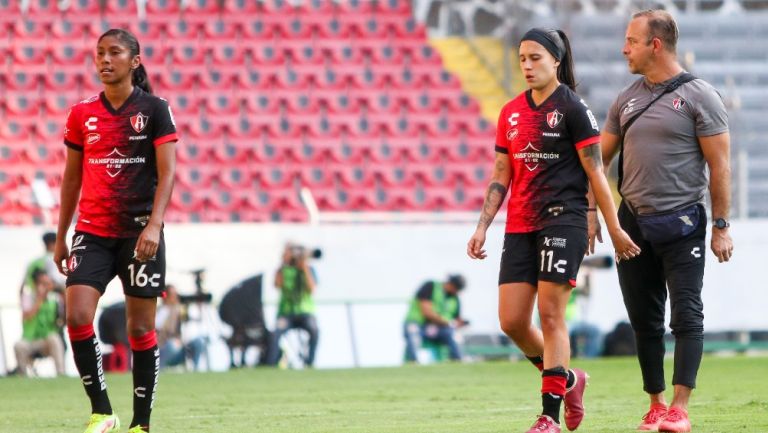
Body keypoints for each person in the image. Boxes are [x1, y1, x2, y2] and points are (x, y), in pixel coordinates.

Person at [467, 28, 640, 433]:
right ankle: (570, 378)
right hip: (520, 225)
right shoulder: (510, 112)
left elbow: (597, 172)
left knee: (550, 314)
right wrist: (481, 228)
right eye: (522, 59)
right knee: (511, 321)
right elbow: (500, 174)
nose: (527, 66)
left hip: (564, 219)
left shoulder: (574, 109)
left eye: (535, 58)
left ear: (556, 61)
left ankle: (549, 417)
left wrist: (613, 227)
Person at [597, 10, 732, 432]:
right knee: (644, 319)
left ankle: (680, 409)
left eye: (631, 41)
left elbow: (721, 165)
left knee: (687, 315)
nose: (624, 49)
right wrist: (590, 213)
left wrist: (721, 226)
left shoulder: (700, 96)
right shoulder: (626, 99)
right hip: (632, 224)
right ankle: (655, 405)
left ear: (655, 45)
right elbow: (596, 161)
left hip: (684, 222)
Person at [53, 29, 177, 433]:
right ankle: (102, 411)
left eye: (115, 53)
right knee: (76, 316)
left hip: (141, 234)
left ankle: (141, 424)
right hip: (92, 232)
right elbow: (71, 181)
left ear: (134, 61)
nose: (105, 60)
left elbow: (168, 172)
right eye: (99, 53)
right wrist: (61, 235)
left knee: (140, 329)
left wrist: (155, 226)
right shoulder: (80, 114)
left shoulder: (155, 109)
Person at [266, 243, 320, 367]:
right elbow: (277, 285)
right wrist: (284, 262)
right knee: (275, 333)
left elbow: (311, 289)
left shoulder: (308, 269)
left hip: (305, 312)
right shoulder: (283, 270)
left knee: (314, 330)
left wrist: (304, 268)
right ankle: (271, 364)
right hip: (286, 313)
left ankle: (310, 362)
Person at [403, 274, 467, 363]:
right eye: (457, 288)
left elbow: (457, 319)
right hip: (418, 324)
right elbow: (427, 312)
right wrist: (447, 322)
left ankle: (457, 360)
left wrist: (458, 324)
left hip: (439, 329)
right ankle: (412, 362)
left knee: (454, 335)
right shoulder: (430, 286)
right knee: (413, 333)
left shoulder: (455, 299)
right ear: (451, 284)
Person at [14, 269, 66, 377]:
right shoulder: (28, 297)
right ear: (35, 284)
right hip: (30, 341)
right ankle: (22, 376)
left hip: (46, 340)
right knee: (19, 346)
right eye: (43, 284)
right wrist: (39, 299)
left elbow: (62, 320)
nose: (47, 287)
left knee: (54, 338)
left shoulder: (55, 299)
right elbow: (27, 316)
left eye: (48, 284)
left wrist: (63, 296)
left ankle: (61, 374)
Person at [156, 284, 206, 371]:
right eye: (172, 295)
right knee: (171, 345)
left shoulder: (180, 309)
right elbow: (157, 326)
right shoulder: (161, 310)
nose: (174, 298)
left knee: (199, 342)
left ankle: (195, 371)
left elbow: (189, 322)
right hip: (164, 348)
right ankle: (159, 371)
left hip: (180, 348)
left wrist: (198, 306)